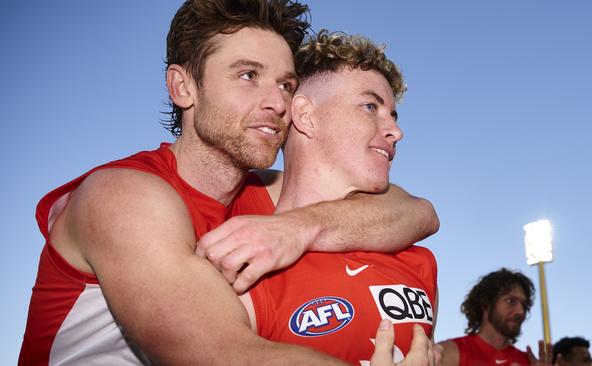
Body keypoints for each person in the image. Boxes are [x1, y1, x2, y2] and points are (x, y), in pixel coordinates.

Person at [18, 1, 439, 365]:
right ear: (183, 87)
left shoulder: (259, 194)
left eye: (285, 84)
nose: (277, 102)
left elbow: (415, 211)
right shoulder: (123, 195)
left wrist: (299, 227)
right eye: (247, 76)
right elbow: (225, 354)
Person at [213, 30, 440, 365]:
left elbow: (425, 213)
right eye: (369, 106)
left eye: (392, 115)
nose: (396, 131)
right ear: (306, 116)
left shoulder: (420, 262)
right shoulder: (238, 260)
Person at [439, 268, 552, 366]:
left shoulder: (529, 362)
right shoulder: (449, 353)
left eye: (524, 305)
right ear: (486, 304)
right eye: (511, 301)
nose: (520, 311)